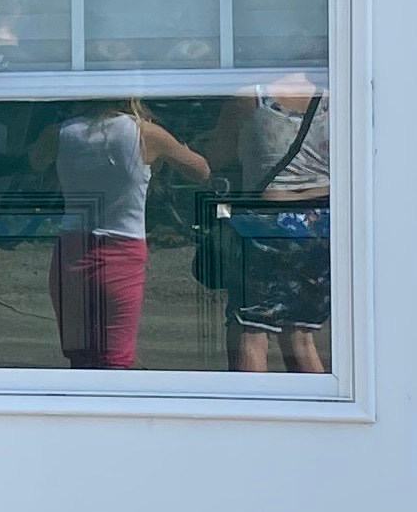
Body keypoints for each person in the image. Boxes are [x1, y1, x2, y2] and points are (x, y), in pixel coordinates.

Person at [47, 100, 208, 369]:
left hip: (71, 248)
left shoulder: (59, 133)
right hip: (122, 251)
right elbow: (200, 171)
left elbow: (34, 161)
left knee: (80, 357)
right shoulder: (146, 133)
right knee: (115, 362)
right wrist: (178, 149)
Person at [216, 80, 331, 372]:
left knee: (252, 331)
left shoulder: (249, 97)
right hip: (320, 223)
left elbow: (217, 154)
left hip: (267, 221)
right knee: (300, 336)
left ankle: (250, 413)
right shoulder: (333, 95)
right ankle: (316, 414)